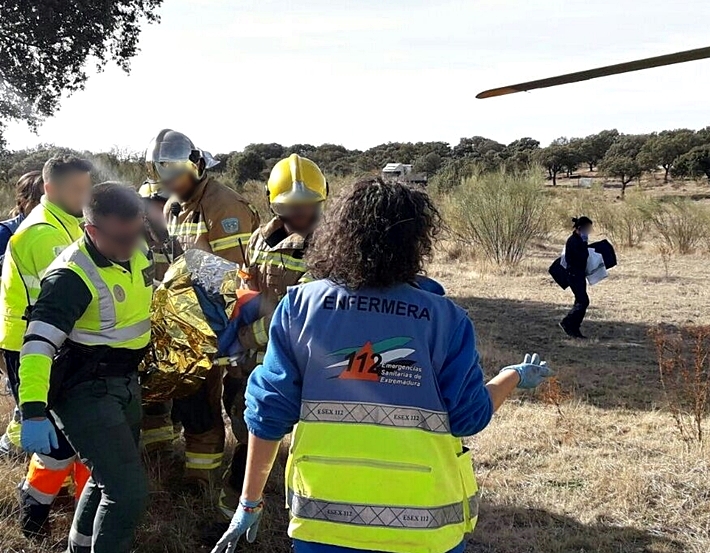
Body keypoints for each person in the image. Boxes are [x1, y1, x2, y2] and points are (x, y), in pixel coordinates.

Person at [212, 179, 554, 553]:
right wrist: (512, 375)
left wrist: (249, 502)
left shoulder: (300, 308)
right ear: (416, 241)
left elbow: (268, 414)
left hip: (324, 524)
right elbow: (469, 417)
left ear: (339, 233)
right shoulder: (446, 319)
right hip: (426, 526)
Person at [18, 182, 153, 552]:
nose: (131, 245)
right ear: (91, 230)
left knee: (104, 479)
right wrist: (31, 410)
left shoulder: (138, 249)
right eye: (120, 238)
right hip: (85, 389)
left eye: (135, 232)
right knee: (127, 494)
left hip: (124, 382)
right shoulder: (70, 278)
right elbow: (37, 344)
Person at [146, 128, 260, 487]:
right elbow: (179, 263)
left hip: (226, 325)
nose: (171, 186)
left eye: (177, 177)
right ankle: (200, 475)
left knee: (234, 403)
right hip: (191, 321)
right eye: (163, 179)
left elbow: (234, 277)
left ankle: (220, 481)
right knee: (196, 403)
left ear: (197, 166)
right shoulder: (175, 207)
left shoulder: (223, 205)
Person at [219, 153, 327, 516]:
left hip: (303, 357)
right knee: (246, 421)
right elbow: (247, 286)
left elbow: (306, 314)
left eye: (308, 207)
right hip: (254, 358)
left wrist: (249, 336)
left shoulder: (329, 246)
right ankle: (238, 503)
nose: (300, 215)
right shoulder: (259, 240)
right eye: (289, 207)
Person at [0, 156, 93, 538]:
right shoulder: (43, 234)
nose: (84, 196)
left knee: (70, 439)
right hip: (33, 346)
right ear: (50, 188)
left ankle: (64, 510)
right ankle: (33, 516)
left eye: (88, 188)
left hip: (51, 342)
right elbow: (59, 304)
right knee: (56, 445)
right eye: (77, 190)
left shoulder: (67, 222)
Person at [0, 171, 46, 455]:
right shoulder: (8, 232)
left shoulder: (56, 227)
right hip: (13, 323)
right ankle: (12, 448)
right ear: (25, 200)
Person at [136, 179, 176, 452]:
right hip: (144, 335)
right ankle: (156, 456)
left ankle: (167, 452)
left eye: (162, 206)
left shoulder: (180, 239)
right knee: (151, 400)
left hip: (179, 334)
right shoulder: (133, 242)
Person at [559, 216, 593, 339]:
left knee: (580, 301)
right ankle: (567, 323)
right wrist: (584, 244)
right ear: (580, 228)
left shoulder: (578, 240)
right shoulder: (574, 241)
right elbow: (581, 257)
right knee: (583, 301)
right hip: (574, 275)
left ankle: (574, 328)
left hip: (579, 274)